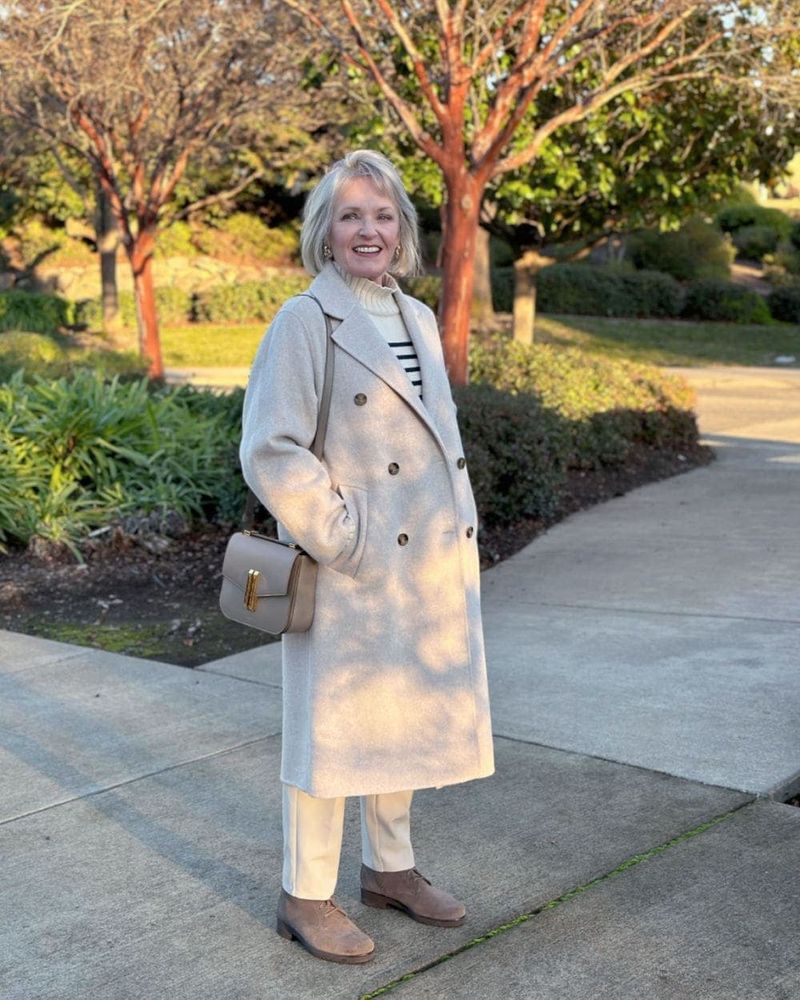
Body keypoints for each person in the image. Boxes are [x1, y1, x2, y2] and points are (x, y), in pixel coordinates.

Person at [239, 149, 494, 965]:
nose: (368, 230)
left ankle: (390, 870)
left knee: (401, 718)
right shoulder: (305, 319)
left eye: (382, 215)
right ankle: (305, 895)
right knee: (332, 732)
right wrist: (342, 535)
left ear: (402, 231)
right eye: (351, 215)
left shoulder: (415, 316)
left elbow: (437, 435)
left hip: (423, 565)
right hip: (348, 565)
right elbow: (270, 447)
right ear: (326, 231)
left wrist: (460, 528)